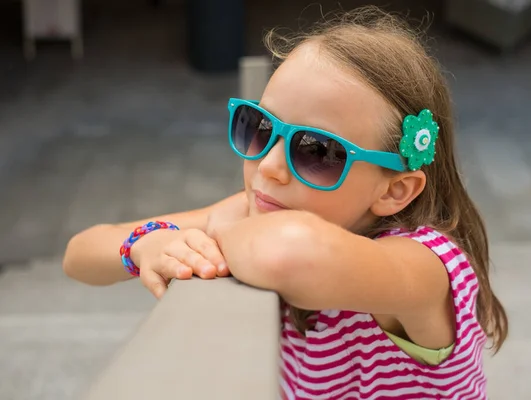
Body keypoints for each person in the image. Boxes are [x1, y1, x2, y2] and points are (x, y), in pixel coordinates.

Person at [63, 6, 507, 399]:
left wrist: (206, 230)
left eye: (315, 151)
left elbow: (290, 253)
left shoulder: (427, 267)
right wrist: (145, 246)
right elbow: (80, 254)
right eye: (258, 126)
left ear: (394, 191)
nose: (270, 165)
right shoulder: (254, 216)